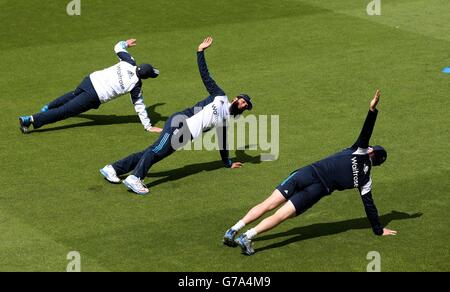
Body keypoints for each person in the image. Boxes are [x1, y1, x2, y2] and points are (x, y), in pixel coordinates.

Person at [223, 90, 396, 256]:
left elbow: (367, 130)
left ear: (372, 152)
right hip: (316, 190)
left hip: (307, 173)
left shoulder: (360, 149)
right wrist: (378, 230)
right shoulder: (365, 180)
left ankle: (234, 230)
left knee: (267, 204)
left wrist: (372, 109)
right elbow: (369, 206)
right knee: (280, 215)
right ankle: (247, 237)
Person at [100, 37, 253, 195]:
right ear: (235, 99)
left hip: (186, 135)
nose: (243, 106)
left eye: (245, 106)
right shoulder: (219, 96)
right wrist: (200, 52)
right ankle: (135, 177)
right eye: (242, 102)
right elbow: (206, 76)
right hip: (179, 123)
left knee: (153, 151)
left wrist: (227, 162)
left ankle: (113, 169)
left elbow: (223, 142)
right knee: (157, 150)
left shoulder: (225, 120)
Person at [19, 39, 163, 134]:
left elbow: (117, 47)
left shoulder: (130, 61)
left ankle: (48, 107)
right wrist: (148, 126)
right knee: (65, 111)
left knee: (74, 94)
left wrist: (126, 43)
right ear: (145, 77)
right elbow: (139, 106)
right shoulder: (136, 85)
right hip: (94, 96)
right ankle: (30, 119)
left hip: (90, 80)